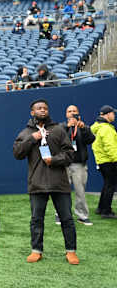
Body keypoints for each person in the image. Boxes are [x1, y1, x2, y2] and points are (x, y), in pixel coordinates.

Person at [13, 99, 79, 265]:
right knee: (36, 219)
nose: (43, 110)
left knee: (67, 219)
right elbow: (17, 153)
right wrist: (32, 139)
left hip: (59, 183)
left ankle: (71, 251)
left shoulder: (58, 130)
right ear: (32, 112)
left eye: (45, 108)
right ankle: (36, 251)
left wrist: (54, 160)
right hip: (37, 183)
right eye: (39, 108)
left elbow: (70, 154)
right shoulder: (26, 133)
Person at [55, 105, 95, 226]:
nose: (72, 113)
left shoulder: (83, 127)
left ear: (78, 114)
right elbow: (56, 140)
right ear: (66, 114)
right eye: (69, 111)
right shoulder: (61, 127)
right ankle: (60, 214)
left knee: (80, 191)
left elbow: (91, 140)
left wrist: (83, 129)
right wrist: (67, 127)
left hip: (79, 165)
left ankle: (82, 216)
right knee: (62, 191)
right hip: (64, 164)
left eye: (74, 111)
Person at [91, 105, 117, 219]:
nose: (114, 115)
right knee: (110, 185)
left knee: (107, 184)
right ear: (107, 114)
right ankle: (106, 211)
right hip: (109, 161)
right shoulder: (106, 128)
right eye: (113, 113)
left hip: (102, 160)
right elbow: (110, 147)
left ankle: (101, 208)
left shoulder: (98, 127)